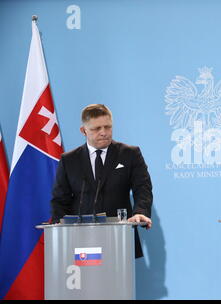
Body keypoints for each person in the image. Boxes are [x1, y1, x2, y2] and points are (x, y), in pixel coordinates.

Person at [51, 104, 153, 258]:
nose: (104, 133)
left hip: (119, 238)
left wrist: (140, 212)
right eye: (96, 129)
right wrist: (61, 230)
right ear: (83, 131)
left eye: (108, 127)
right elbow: (60, 199)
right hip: (80, 240)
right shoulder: (69, 160)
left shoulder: (130, 154)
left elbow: (143, 187)